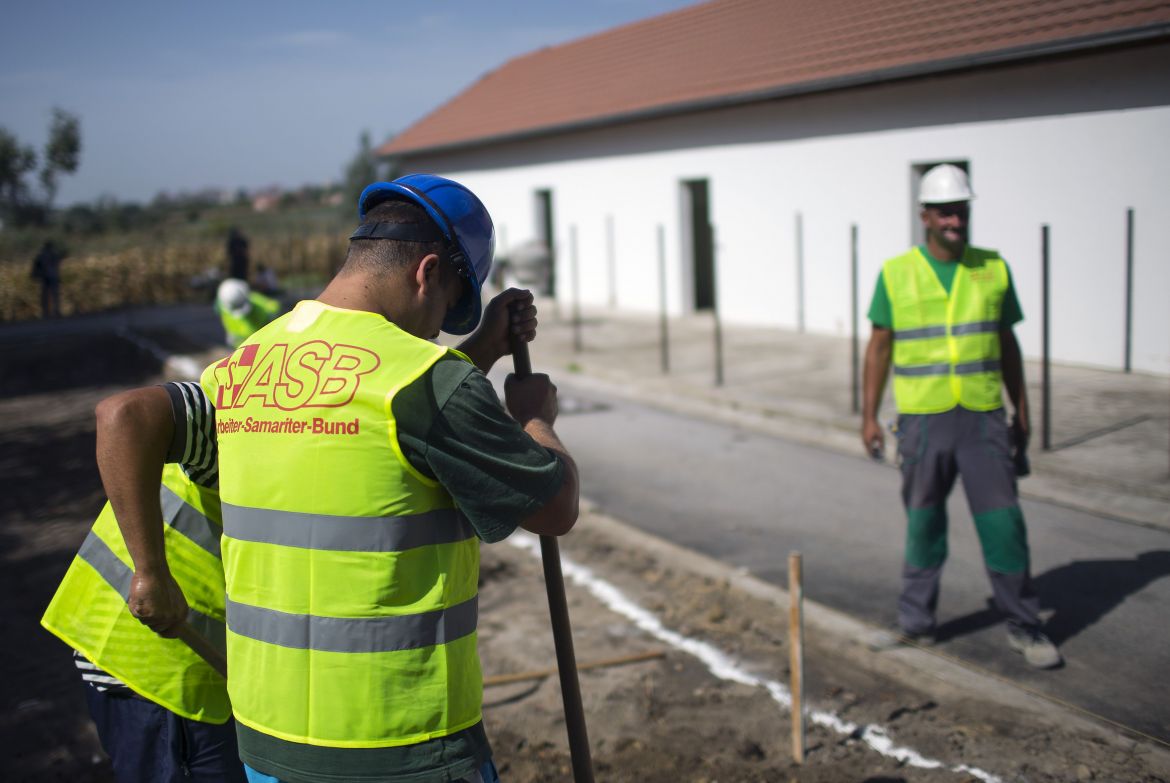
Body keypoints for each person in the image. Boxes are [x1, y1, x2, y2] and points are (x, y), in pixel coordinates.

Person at [108, 174, 580, 783]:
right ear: (427, 272)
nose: (437, 329)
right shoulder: (428, 379)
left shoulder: (246, 362)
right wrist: (536, 417)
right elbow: (554, 504)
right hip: (404, 747)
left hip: (268, 743)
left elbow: (374, 417)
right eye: (444, 308)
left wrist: (481, 346)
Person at [861, 163, 1061, 669]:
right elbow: (878, 348)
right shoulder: (897, 272)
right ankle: (916, 626)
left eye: (961, 210)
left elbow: (1008, 344)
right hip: (923, 421)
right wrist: (868, 417)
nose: (954, 219)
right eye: (945, 211)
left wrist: (1023, 411)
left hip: (983, 418)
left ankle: (1026, 626)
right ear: (925, 215)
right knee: (923, 525)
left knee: (1003, 524)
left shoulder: (993, 268)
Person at [41, 381, 247, 782]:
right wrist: (150, 572)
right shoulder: (260, 408)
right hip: (158, 666)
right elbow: (124, 415)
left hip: (176, 663)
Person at [214, 278, 282, 347]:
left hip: (260, 342)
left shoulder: (260, 303)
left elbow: (273, 308)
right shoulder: (222, 307)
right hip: (246, 344)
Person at [30, 239, 65, 318]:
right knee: (53, 295)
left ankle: (47, 312)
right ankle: (54, 311)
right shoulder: (53, 255)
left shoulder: (42, 255)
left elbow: (36, 266)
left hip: (47, 277)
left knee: (46, 296)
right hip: (51, 277)